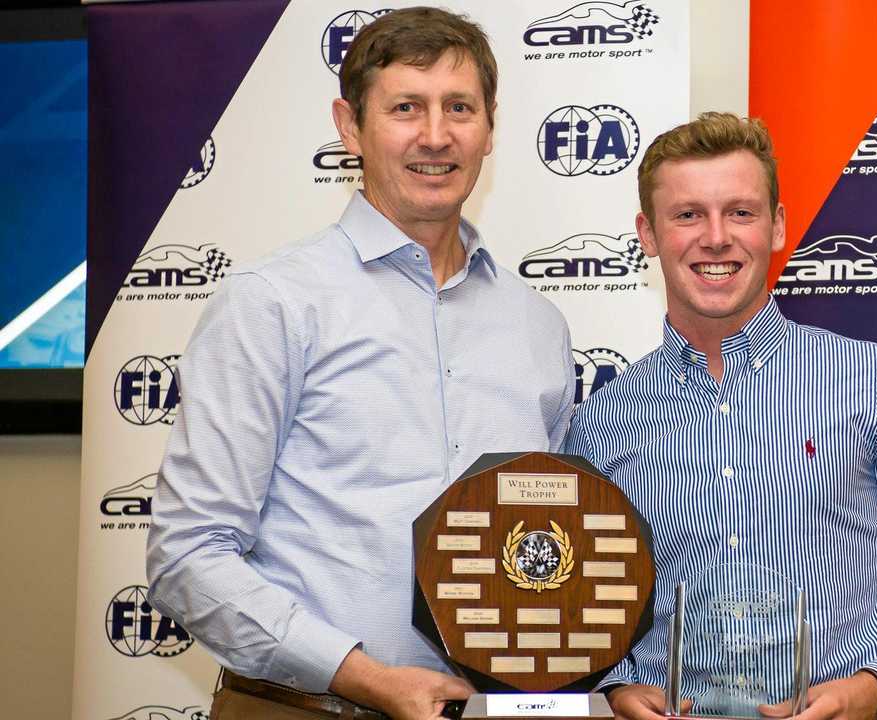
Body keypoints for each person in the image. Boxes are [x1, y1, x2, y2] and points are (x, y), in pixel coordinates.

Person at [146, 8, 575, 719]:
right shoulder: (274, 304)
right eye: (405, 107)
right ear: (351, 127)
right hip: (302, 709)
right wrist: (362, 676)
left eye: (459, 108)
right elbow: (188, 556)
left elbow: (552, 546)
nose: (435, 136)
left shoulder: (537, 326)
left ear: (490, 127)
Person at [566, 113, 877, 720]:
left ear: (776, 226)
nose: (716, 238)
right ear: (647, 233)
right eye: (687, 214)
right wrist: (615, 684)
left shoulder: (874, 380)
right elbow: (583, 592)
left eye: (742, 212)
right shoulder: (602, 419)